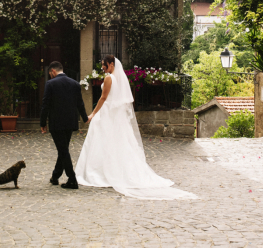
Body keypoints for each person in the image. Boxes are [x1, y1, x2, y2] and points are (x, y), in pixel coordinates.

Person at [75, 55, 197, 200]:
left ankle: (103, 172)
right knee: (118, 142)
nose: (103, 67)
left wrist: (93, 114)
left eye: (104, 65)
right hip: (115, 115)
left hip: (107, 114)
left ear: (112, 65)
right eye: (102, 65)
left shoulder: (109, 78)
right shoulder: (120, 79)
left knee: (104, 141)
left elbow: (103, 98)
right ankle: (117, 170)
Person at [40, 61, 89, 189]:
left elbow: (45, 104)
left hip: (56, 123)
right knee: (63, 150)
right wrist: (85, 118)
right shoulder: (75, 84)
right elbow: (80, 103)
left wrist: (42, 123)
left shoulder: (50, 84)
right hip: (70, 122)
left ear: (53, 72)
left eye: (50, 74)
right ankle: (55, 176)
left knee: (63, 150)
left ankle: (72, 179)